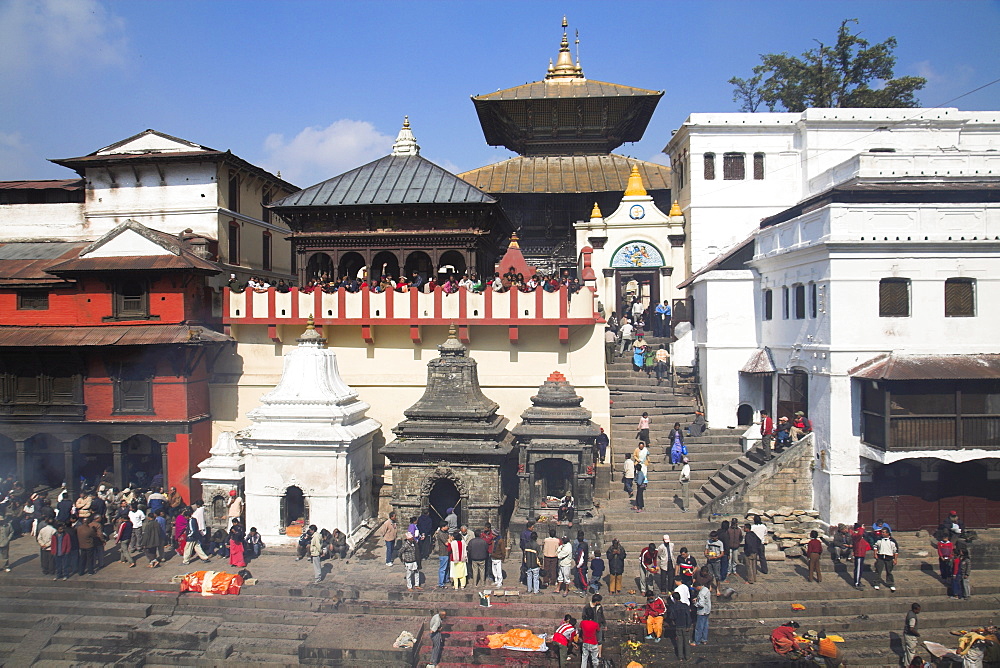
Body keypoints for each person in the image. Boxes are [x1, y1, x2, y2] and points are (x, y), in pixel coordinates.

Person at [669, 590, 692, 659]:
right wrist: (688, 625)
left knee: (679, 642)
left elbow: (671, 617)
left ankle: (680, 656)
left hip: (678, 626)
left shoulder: (673, 607)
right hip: (685, 626)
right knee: (686, 642)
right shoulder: (685, 606)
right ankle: (687, 656)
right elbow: (688, 616)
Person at [851, 522, 871, 589]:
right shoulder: (856, 534)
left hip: (862, 553)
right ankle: (856, 583)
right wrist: (862, 529)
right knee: (858, 569)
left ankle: (858, 581)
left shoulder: (859, 534)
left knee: (860, 568)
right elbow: (859, 534)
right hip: (858, 553)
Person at [693, 581, 712, 645]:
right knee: (705, 626)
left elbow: (701, 604)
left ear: (697, 587)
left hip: (702, 612)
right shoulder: (706, 589)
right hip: (707, 611)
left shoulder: (701, 593)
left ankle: (697, 641)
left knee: (699, 627)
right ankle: (704, 640)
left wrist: (695, 603)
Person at [435, 523, 451, 588]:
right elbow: (447, 543)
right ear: (442, 527)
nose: (447, 527)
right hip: (443, 553)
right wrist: (450, 540)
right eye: (446, 526)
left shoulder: (446, 532)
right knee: (442, 568)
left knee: (447, 567)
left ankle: (446, 579)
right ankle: (441, 583)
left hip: (448, 552)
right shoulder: (440, 534)